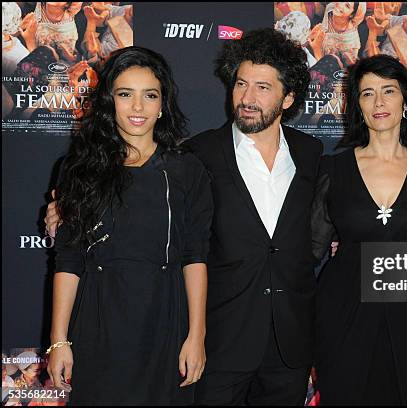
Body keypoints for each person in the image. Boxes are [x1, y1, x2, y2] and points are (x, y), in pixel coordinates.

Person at [45, 46, 212, 405]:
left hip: (165, 323)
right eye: (125, 94)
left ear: (163, 103)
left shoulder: (187, 170)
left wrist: (196, 335)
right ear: (109, 101)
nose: (138, 108)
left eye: (149, 95)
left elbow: (195, 256)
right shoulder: (79, 168)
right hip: (99, 323)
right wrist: (59, 340)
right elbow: (69, 261)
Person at [181, 28, 322, 405]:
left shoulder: (311, 153)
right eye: (241, 84)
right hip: (221, 340)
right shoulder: (198, 153)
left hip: (290, 344)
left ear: (288, 98)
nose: (247, 97)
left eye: (262, 87)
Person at [311, 54, 407, 404]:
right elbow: (309, 251)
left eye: (388, 91)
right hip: (343, 316)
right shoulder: (332, 169)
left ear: (405, 102)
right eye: (367, 93)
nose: (379, 102)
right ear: (357, 105)